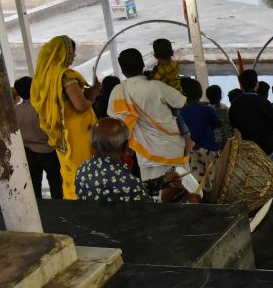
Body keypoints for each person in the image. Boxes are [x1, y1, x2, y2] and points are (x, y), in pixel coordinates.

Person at [31, 36, 101, 200]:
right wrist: (93, 96)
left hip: (61, 130)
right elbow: (80, 105)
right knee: (84, 169)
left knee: (70, 171)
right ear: (63, 53)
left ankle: (73, 199)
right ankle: (85, 201)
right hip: (77, 132)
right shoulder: (64, 76)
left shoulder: (42, 78)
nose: (74, 56)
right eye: (73, 51)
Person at [107, 48, 189, 183]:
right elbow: (182, 102)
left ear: (122, 70)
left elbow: (116, 121)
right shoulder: (157, 86)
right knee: (180, 193)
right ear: (143, 64)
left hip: (144, 153)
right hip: (171, 149)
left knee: (154, 195)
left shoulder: (117, 91)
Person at [75, 118, 183, 203]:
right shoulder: (128, 182)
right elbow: (149, 210)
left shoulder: (82, 171)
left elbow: (129, 189)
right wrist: (171, 193)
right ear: (126, 146)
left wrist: (162, 181)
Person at [14, 76, 62, 200]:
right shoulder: (42, 108)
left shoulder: (15, 110)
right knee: (55, 183)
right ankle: (59, 209)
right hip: (48, 150)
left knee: (35, 185)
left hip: (28, 152)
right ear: (33, 88)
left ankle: (39, 212)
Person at [229, 69, 273, 165]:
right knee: (271, 178)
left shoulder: (235, 104)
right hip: (268, 148)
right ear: (257, 84)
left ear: (241, 85)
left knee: (251, 179)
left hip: (247, 151)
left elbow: (233, 125)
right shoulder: (264, 102)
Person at [179, 78, 221, 152]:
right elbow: (219, 123)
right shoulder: (208, 109)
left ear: (183, 94)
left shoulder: (180, 113)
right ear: (201, 93)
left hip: (190, 153)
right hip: (210, 150)